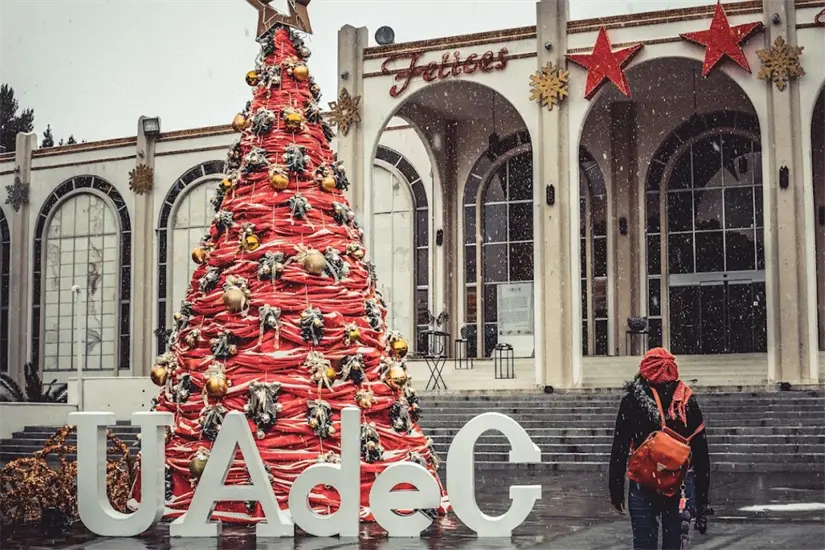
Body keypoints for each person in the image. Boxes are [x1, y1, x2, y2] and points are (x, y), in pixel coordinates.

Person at [609, 347, 712, 550]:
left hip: (643, 482)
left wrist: (616, 491)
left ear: (644, 370)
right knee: (674, 544)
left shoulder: (631, 401)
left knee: (644, 544)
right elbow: (701, 454)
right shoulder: (686, 402)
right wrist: (702, 501)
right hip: (679, 483)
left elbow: (619, 448)